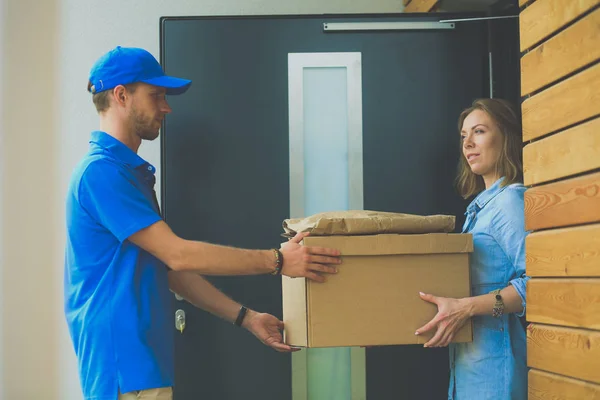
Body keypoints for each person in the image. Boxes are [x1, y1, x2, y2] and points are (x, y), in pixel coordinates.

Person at [64, 46, 342, 400]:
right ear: (121, 95)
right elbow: (178, 255)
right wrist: (278, 260)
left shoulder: (127, 174)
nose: (166, 107)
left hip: (140, 364)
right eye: (156, 95)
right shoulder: (101, 173)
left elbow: (168, 269)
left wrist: (247, 317)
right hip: (123, 365)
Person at [415, 98, 528, 400]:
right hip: (468, 368)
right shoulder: (480, 209)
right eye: (464, 136)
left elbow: (538, 284)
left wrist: (466, 308)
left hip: (496, 372)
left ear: (505, 137)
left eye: (478, 131)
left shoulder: (509, 203)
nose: (468, 144)